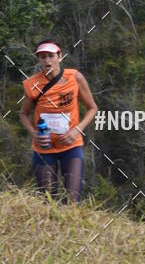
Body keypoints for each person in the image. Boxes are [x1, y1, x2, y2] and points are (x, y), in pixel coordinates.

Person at [19, 38, 97, 204]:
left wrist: (77, 130)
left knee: (72, 200)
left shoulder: (75, 77)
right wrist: (34, 134)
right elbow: (23, 114)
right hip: (44, 148)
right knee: (48, 203)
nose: (47, 60)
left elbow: (92, 108)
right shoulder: (32, 84)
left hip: (71, 145)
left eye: (51, 55)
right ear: (38, 59)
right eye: (42, 57)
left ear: (60, 56)